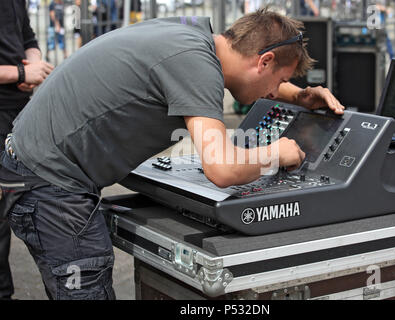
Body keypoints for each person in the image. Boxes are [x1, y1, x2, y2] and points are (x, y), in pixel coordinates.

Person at [3, 8, 344, 300]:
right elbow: (222, 170)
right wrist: (277, 153)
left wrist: (297, 97)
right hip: (51, 187)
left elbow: (246, 74)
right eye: (279, 80)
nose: (273, 93)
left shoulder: (190, 32)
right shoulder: (196, 66)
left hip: (31, 161)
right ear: (264, 60)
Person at [0, 0, 54, 300]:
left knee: (35, 201)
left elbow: (28, 38)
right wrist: (20, 73)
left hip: (18, 113)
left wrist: (34, 64)